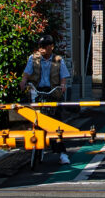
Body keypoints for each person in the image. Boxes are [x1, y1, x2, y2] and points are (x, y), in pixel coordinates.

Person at [20, 34, 72, 164]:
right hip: (38, 91)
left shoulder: (58, 60)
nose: (42, 49)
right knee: (36, 119)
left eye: (44, 46)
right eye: (40, 47)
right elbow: (27, 73)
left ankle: (62, 153)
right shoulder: (33, 58)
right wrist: (24, 81)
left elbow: (63, 76)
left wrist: (63, 85)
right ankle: (36, 146)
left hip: (53, 92)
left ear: (51, 47)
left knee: (56, 123)